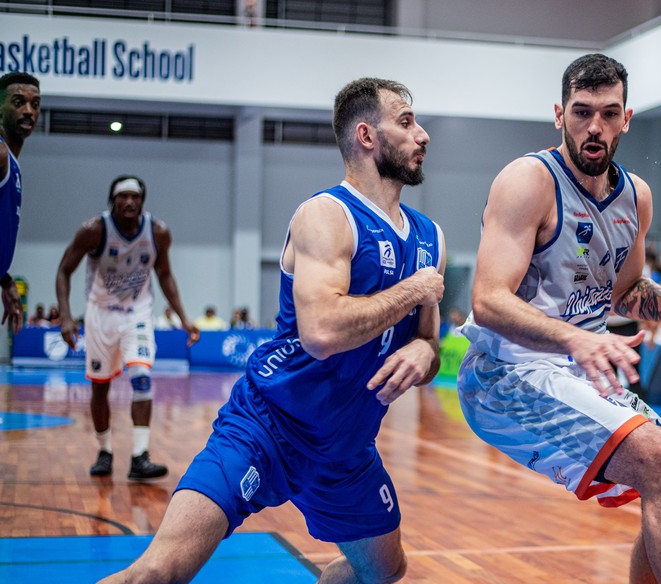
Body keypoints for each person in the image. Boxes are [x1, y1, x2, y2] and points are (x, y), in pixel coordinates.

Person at [100, 77, 445, 583]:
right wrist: (413, 291)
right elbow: (321, 333)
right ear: (367, 136)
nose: (424, 135)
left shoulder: (428, 235)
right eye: (408, 122)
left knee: (383, 571)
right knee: (159, 571)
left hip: (346, 448)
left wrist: (424, 354)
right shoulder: (325, 214)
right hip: (268, 426)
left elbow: (429, 342)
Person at [457, 54, 661, 583]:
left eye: (609, 114)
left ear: (626, 119)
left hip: (583, 365)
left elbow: (627, 292)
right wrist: (574, 339)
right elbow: (489, 299)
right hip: (508, 373)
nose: (595, 127)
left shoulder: (636, 197)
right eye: (582, 112)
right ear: (559, 115)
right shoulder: (528, 180)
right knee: (660, 462)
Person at [56, 175, 200, 480]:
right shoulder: (94, 229)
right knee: (100, 386)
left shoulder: (158, 233)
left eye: (135, 197)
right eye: (123, 197)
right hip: (100, 314)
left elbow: (165, 275)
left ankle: (139, 457)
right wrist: (67, 317)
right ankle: (104, 451)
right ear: (113, 200)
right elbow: (64, 270)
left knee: (142, 378)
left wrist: (183, 317)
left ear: (142, 201)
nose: (130, 202)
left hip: (137, 312)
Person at [0, 72, 41, 335]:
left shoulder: (10, 161)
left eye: (35, 104)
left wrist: (4, 279)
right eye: (18, 102)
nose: (28, 111)